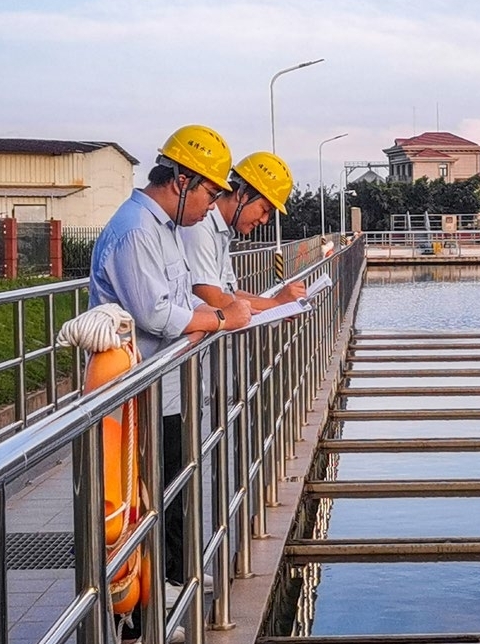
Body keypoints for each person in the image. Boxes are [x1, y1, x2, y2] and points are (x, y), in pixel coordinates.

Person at [88, 124, 253, 643]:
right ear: (181, 180)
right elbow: (156, 313)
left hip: (166, 389)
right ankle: (136, 623)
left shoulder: (164, 229)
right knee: (136, 505)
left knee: (171, 489)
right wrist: (225, 319)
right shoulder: (137, 228)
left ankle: (166, 591)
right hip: (138, 394)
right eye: (208, 191)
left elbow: (183, 297)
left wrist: (217, 311)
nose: (211, 204)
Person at [180, 150, 306, 309]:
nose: (264, 220)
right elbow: (212, 299)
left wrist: (278, 305)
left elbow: (232, 293)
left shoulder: (223, 231)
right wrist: (276, 303)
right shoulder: (200, 226)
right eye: (264, 209)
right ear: (241, 195)